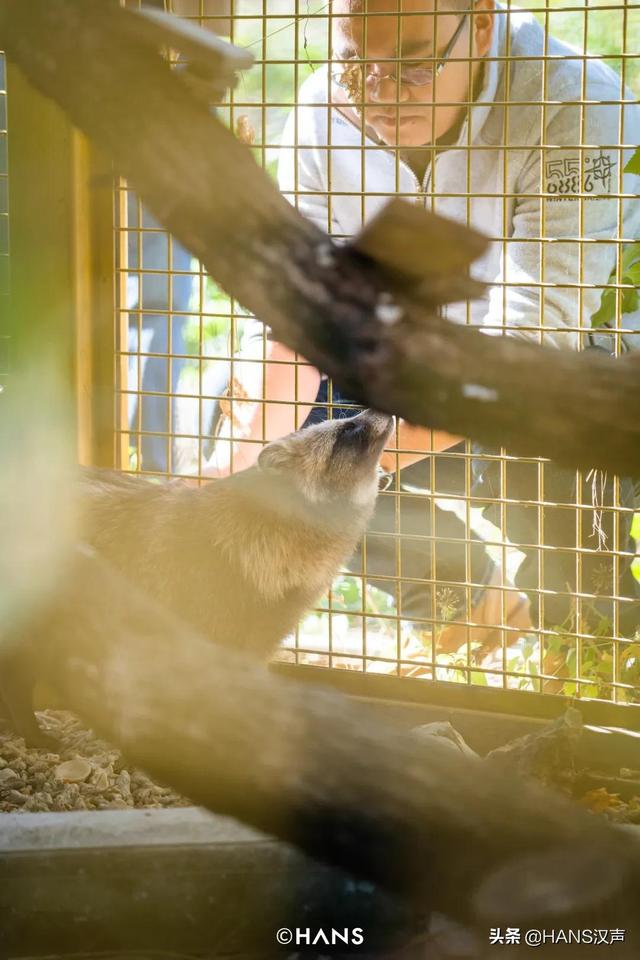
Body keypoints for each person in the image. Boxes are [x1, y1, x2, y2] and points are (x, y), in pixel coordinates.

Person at [204, 0, 640, 648]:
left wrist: (331, 471)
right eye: (357, 62)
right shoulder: (325, 108)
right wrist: (234, 483)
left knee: (580, 574)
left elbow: (533, 344)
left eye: (413, 63)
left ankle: (589, 640)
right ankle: (464, 595)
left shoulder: (573, 106)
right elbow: (299, 316)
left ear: (483, 25)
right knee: (247, 430)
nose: (380, 95)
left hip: (553, 371)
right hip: (404, 362)